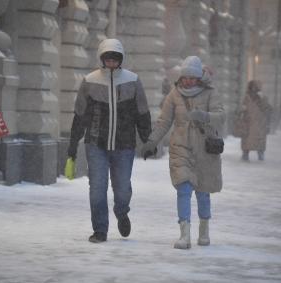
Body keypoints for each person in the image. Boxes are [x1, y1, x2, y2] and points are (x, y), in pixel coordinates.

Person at [67, 38, 152, 243]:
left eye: (115, 58)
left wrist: (148, 141)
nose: (111, 62)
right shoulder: (90, 81)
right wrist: (72, 145)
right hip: (96, 143)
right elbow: (80, 115)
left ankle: (121, 212)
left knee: (122, 189)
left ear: (121, 59)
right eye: (108, 58)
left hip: (124, 145)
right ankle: (100, 230)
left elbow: (142, 113)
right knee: (97, 187)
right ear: (102, 59)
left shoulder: (132, 81)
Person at [141, 56, 225, 249]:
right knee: (184, 188)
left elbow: (221, 117)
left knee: (203, 192)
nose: (188, 81)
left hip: (205, 150)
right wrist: (152, 142)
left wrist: (204, 116)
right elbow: (164, 122)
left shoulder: (211, 93)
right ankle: (184, 234)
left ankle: (204, 230)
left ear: (199, 78)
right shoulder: (174, 94)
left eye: (192, 77)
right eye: (185, 77)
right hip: (180, 148)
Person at [240, 80, 272, 161]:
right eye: (253, 86)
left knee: (258, 139)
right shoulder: (247, 96)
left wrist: (262, 99)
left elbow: (266, 108)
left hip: (259, 121)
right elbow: (243, 107)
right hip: (249, 121)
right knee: (248, 138)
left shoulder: (262, 96)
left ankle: (260, 154)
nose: (254, 88)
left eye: (256, 86)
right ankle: (246, 154)